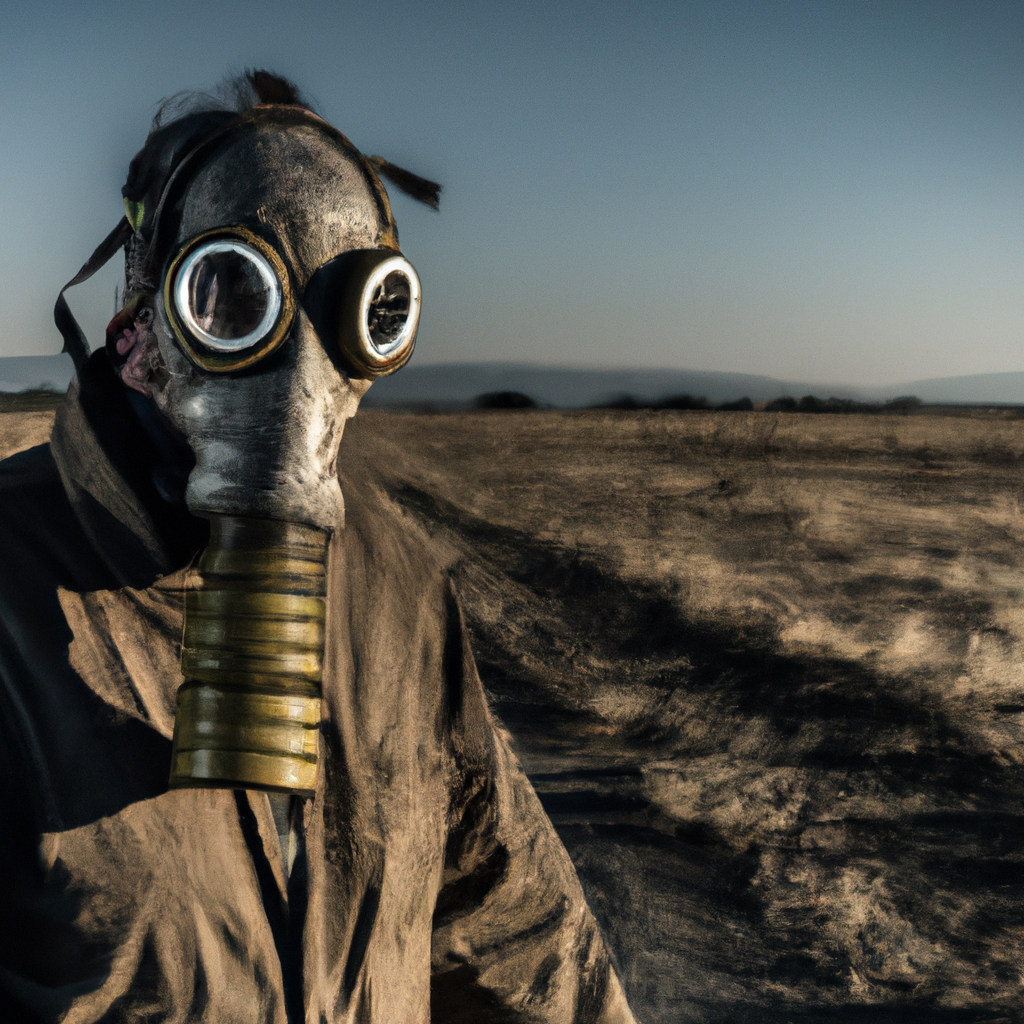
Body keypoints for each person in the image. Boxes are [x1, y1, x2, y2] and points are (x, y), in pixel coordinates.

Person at [0, 71, 637, 1024]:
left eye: (342, 310)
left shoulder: (399, 591)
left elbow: (507, 924)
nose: (294, 363)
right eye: (233, 297)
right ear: (143, 304)